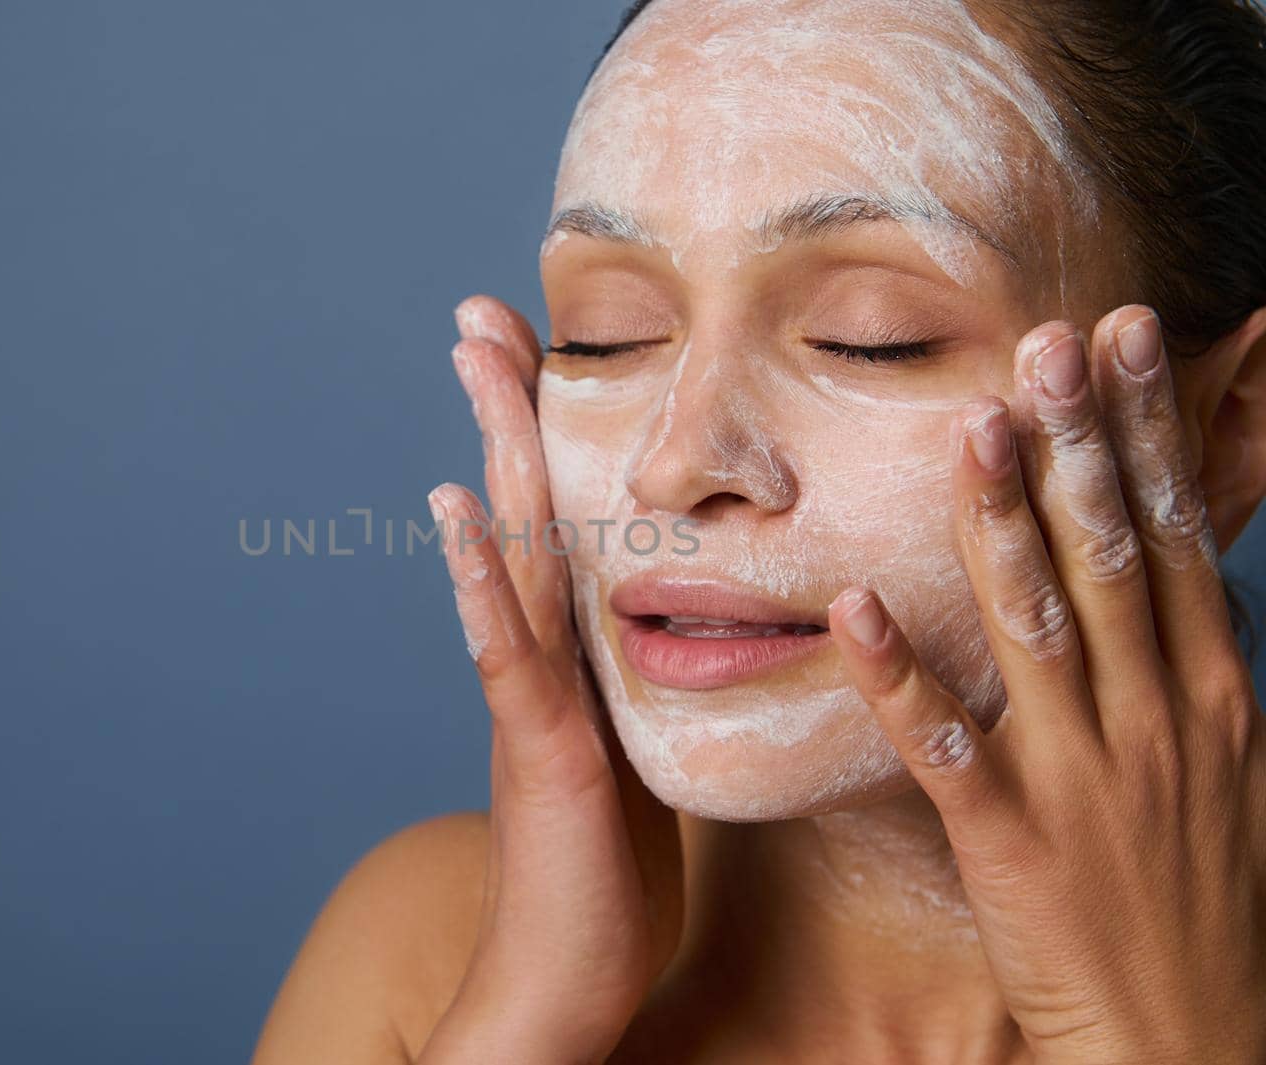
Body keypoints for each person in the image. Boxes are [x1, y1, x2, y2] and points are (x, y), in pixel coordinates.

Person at [252, 1, 1266, 1061]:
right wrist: (522, 1018)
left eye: (872, 339)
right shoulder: (425, 957)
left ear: (1224, 429)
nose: (675, 463)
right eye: (606, 336)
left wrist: (1163, 1037)